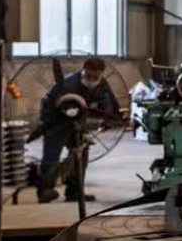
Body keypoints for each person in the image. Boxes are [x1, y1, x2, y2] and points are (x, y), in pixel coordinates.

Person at [34, 57, 121, 203]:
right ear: (82, 69)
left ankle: (74, 192)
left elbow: (109, 102)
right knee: (51, 155)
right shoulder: (67, 84)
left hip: (77, 123)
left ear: (101, 74)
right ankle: (45, 191)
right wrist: (47, 123)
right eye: (88, 75)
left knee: (81, 154)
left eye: (95, 77)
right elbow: (47, 102)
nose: (91, 79)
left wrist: (114, 117)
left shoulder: (101, 84)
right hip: (56, 121)